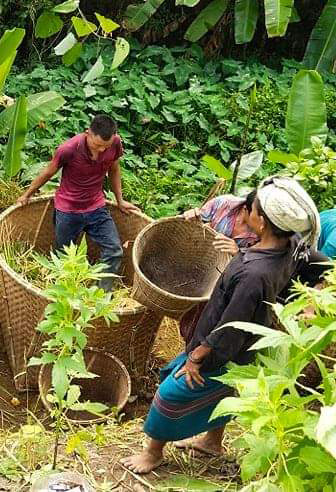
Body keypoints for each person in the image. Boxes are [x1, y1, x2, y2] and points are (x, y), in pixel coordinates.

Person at [121, 177, 325, 474]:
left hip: (225, 348)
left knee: (171, 393)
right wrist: (313, 296)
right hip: (248, 346)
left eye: (252, 209)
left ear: (264, 222)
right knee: (225, 393)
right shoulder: (291, 246)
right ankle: (211, 442)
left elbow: (230, 326)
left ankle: (152, 453)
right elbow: (323, 265)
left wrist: (196, 357)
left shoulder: (254, 274)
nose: (247, 211)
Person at [16, 114, 140, 291]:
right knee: (64, 259)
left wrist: (119, 200)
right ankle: (64, 294)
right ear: (87, 133)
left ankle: (99, 295)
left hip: (96, 207)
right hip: (68, 210)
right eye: (97, 145)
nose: (101, 151)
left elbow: (114, 169)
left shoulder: (115, 143)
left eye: (106, 147)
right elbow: (48, 173)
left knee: (114, 251)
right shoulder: (69, 149)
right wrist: (27, 194)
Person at [178, 191, 261, 342]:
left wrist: (238, 252)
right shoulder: (224, 204)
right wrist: (192, 216)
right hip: (197, 264)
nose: (262, 222)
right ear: (245, 209)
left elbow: (257, 263)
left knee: (202, 324)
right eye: (258, 215)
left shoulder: (262, 233)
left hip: (222, 282)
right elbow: (197, 221)